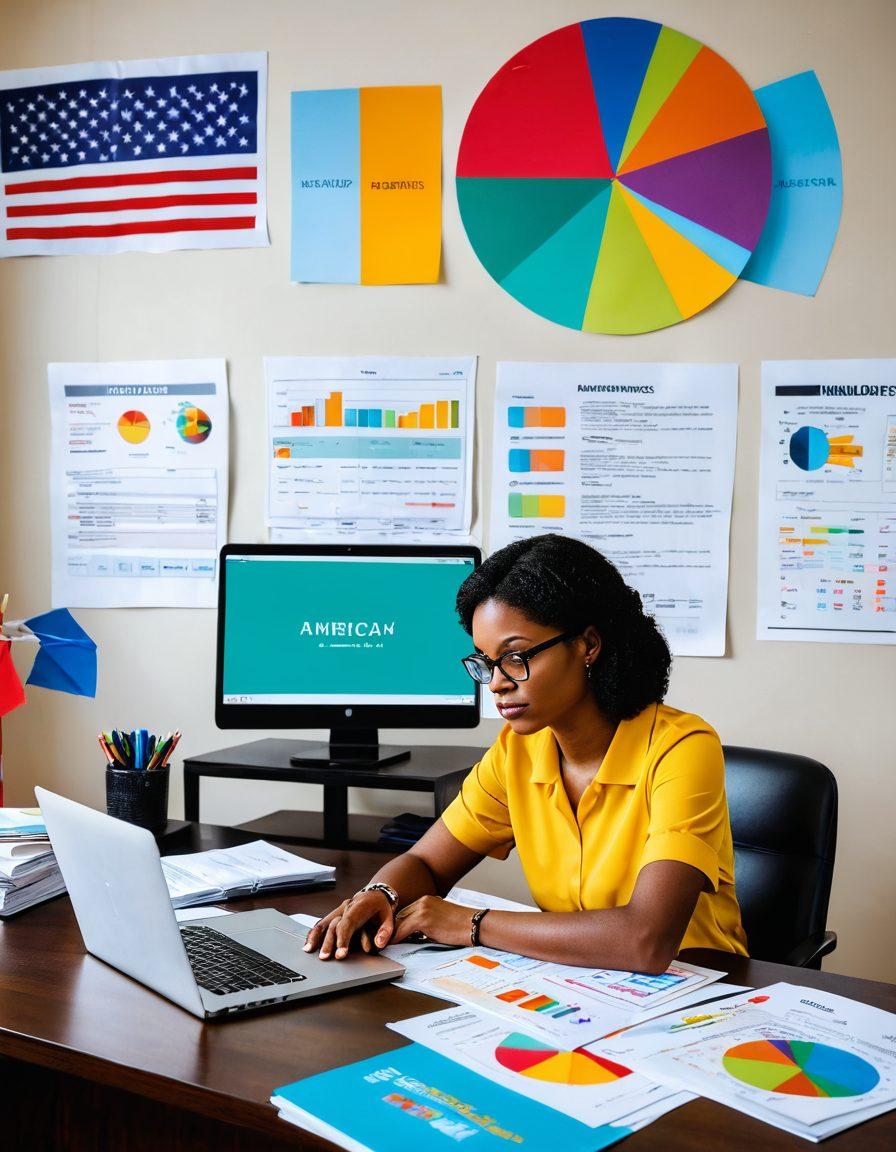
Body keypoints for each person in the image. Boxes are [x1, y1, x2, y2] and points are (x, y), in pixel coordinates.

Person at [304, 534, 748, 972]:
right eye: (485, 661)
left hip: (702, 991)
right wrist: (380, 895)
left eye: (515, 656)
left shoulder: (681, 748)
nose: (497, 682)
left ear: (588, 645)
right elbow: (425, 861)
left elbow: (646, 940)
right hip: (582, 985)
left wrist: (470, 923)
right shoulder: (518, 750)